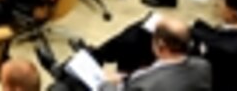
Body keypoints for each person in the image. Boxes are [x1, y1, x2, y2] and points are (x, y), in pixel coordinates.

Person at [38, 0, 237, 91]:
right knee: (143, 30)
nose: (217, 5)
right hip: (180, 69)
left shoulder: (224, 52)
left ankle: (71, 69)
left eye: (222, 5)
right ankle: (89, 59)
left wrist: (114, 80)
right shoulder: (204, 63)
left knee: (64, 88)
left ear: (235, 13)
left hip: (150, 82)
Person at [42, 15, 211, 91]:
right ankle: (74, 66)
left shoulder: (148, 86)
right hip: (133, 81)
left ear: (161, 45)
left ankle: (62, 72)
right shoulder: (202, 66)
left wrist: (108, 83)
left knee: (63, 87)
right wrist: (125, 78)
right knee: (137, 35)